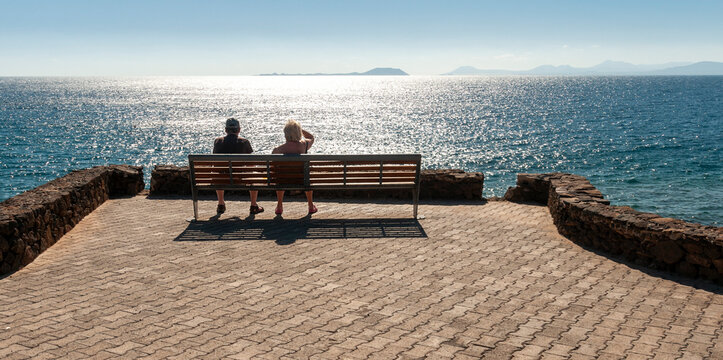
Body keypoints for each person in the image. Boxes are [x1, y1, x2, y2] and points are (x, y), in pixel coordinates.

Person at [213, 118, 264, 215]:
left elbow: (216, 164)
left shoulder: (217, 142)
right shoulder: (244, 142)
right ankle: (253, 205)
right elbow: (251, 165)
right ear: (239, 129)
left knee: (218, 173)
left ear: (225, 130)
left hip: (221, 179)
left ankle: (221, 204)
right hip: (240, 179)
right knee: (254, 175)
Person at [272, 120, 316, 215]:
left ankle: (279, 206)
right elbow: (311, 137)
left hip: (284, 180)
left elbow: (273, 166)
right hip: (302, 180)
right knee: (307, 177)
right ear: (299, 133)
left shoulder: (278, 149)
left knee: (279, 178)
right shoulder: (304, 145)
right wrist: (300, 130)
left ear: (285, 133)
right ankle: (311, 206)